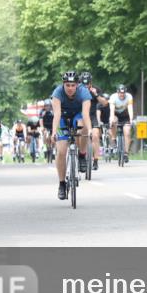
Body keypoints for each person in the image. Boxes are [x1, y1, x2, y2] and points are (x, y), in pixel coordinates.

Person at [51, 70, 94, 200]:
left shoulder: (84, 92)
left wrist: (91, 130)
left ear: (77, 85)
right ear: (63, 85)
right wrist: (54, 132)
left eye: (73, 85)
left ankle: (82, 155)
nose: (70, 88)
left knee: (83, 126)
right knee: (61, 151)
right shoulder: (57, 93)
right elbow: (57, 114)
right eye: (67, 85)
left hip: (78, 115)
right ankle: (62, 184)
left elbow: (86, 114)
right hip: (62, 117)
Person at [81, 72, 110, 170]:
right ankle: (80, 155)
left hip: (92, 116)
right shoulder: (77, 90)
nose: (86, 86)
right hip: (81, 116)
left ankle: (96, 160)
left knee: (96, 135)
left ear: (91, 82)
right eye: (84, 84)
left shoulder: (96, 89)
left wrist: (96, 95)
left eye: (88, 84)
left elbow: (105, 103)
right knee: (79, 134)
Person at [109, 84, 135, 164]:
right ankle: (113, 139)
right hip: (116, 114)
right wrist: (112, 119)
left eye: (123, 93)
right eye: (120, 93)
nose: (122, 95)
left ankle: (126, 153)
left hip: (125, 115)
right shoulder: (113, 97)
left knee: (127, 132)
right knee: (113, 121)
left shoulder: (129, 97)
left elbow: (130, 108)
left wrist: (131, 119)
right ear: (117, 92)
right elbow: (112, 110)